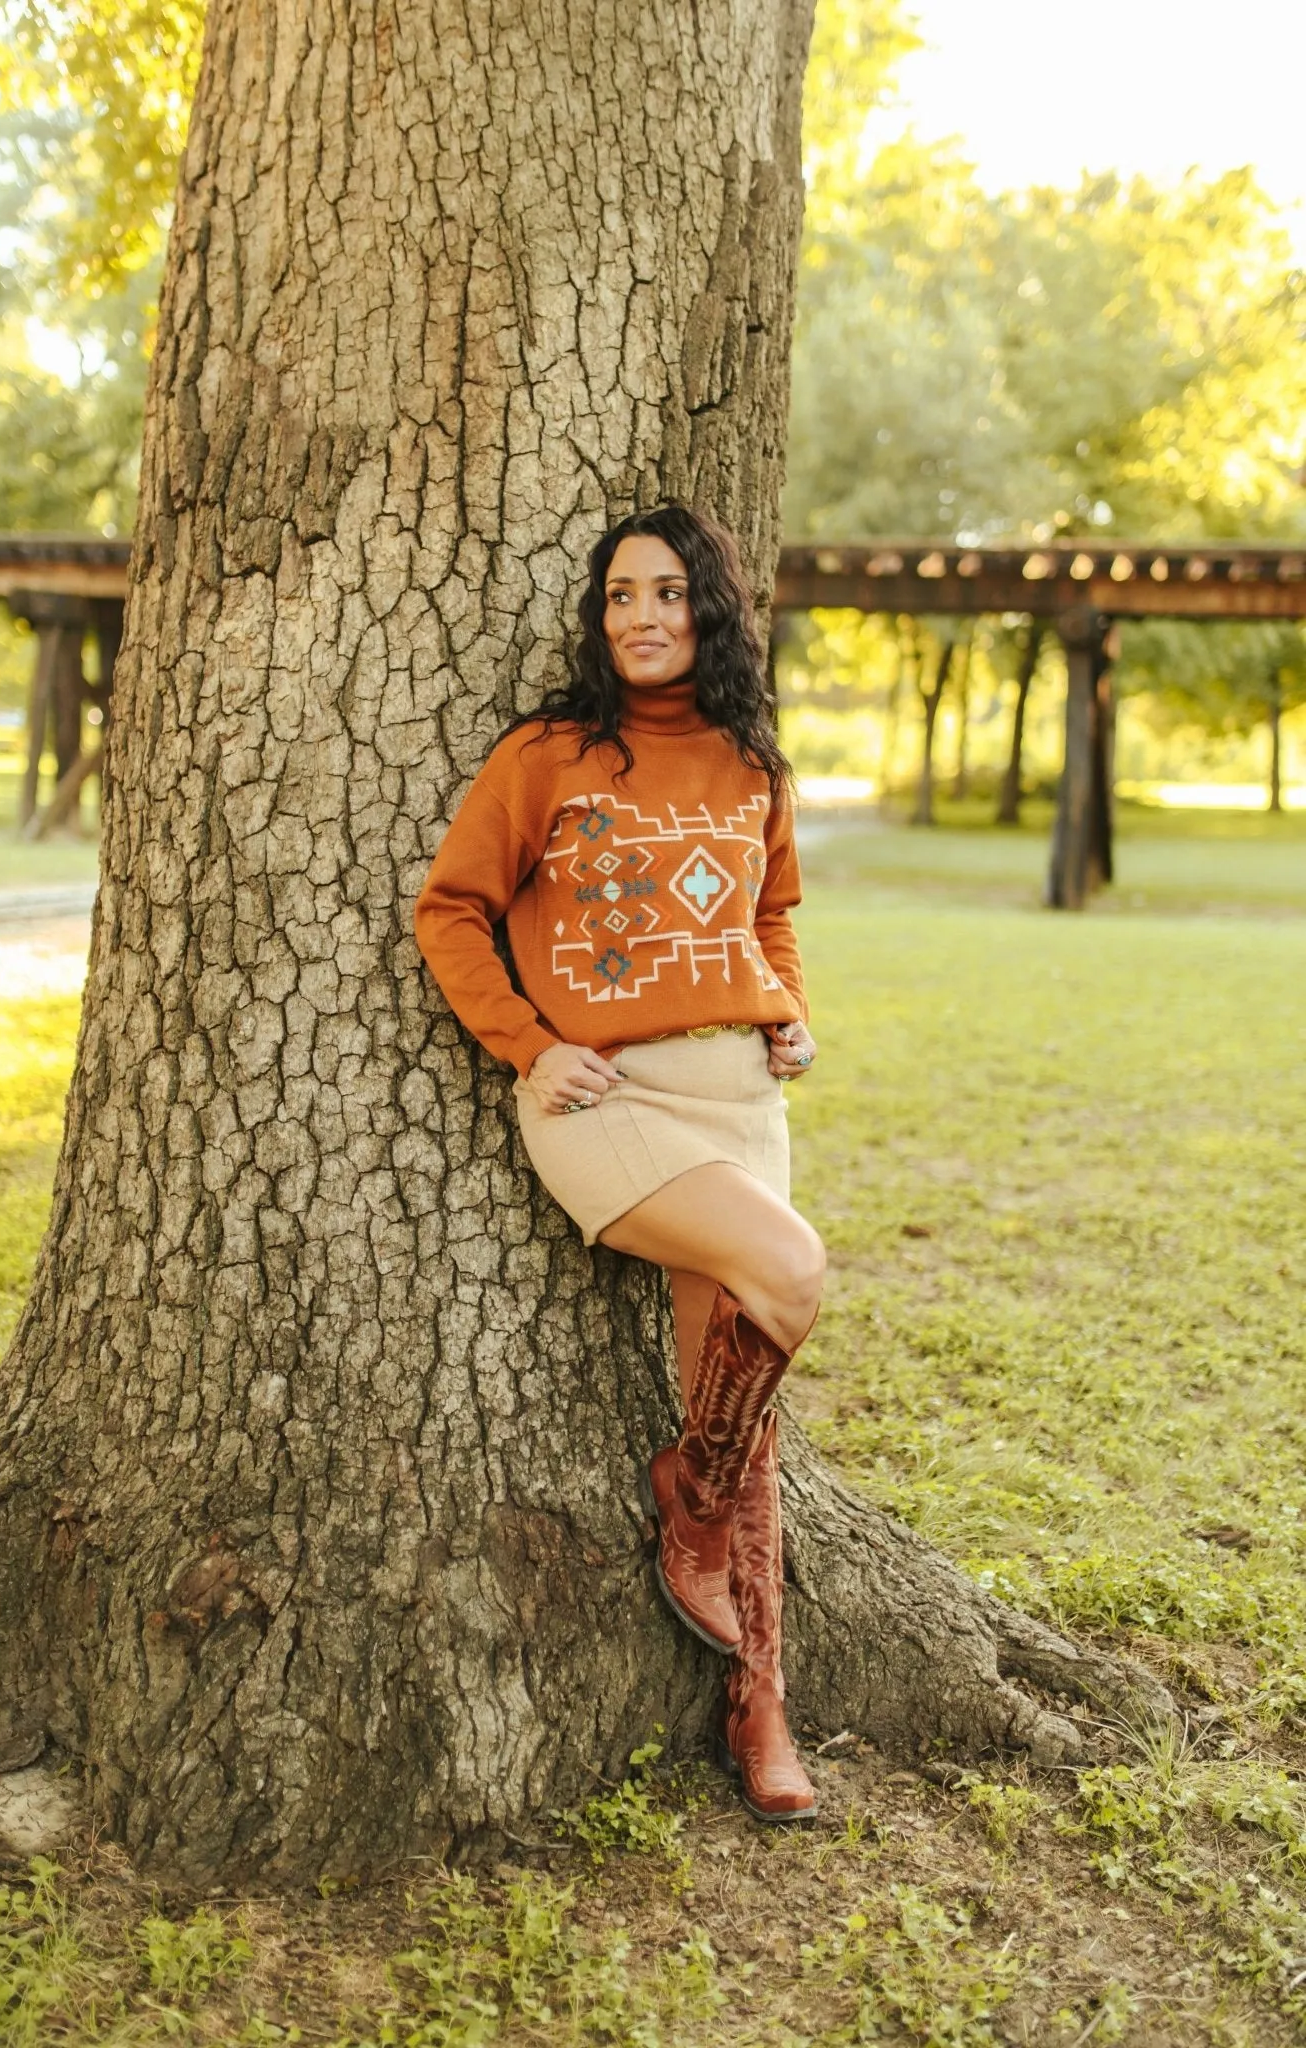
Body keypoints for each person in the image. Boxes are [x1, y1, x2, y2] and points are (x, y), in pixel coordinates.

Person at [415, 505, 825, 1824]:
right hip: (608, 1096)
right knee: (792, 1272)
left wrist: (788, 1008)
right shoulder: (545, 755)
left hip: (737, 1092)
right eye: (618, 596)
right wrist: (528, 1046)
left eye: (666, 592)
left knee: (746, 1409)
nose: (641, 617)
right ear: (599, 619)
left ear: (708, 608)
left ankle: (761, 1705)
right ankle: (686, 1505)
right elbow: (452, 910)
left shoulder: (751, 761)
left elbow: (769, 914)